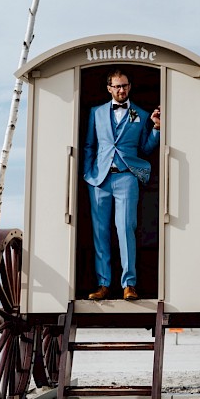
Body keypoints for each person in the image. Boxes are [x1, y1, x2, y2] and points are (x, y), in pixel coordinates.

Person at [83, 69, 161, 301]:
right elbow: (89, 145)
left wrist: (156, 127)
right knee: (100, 232)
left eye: (125, 86)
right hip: (99, 179)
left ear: (130, 87)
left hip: (127, 177)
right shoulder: (95, 113)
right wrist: (89, 173)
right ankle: (103, 284)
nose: (121, 90)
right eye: (117, 86)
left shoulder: (141, 113)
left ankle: (129, 284)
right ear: (109, 88)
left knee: (125, 229)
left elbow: (146, 149)